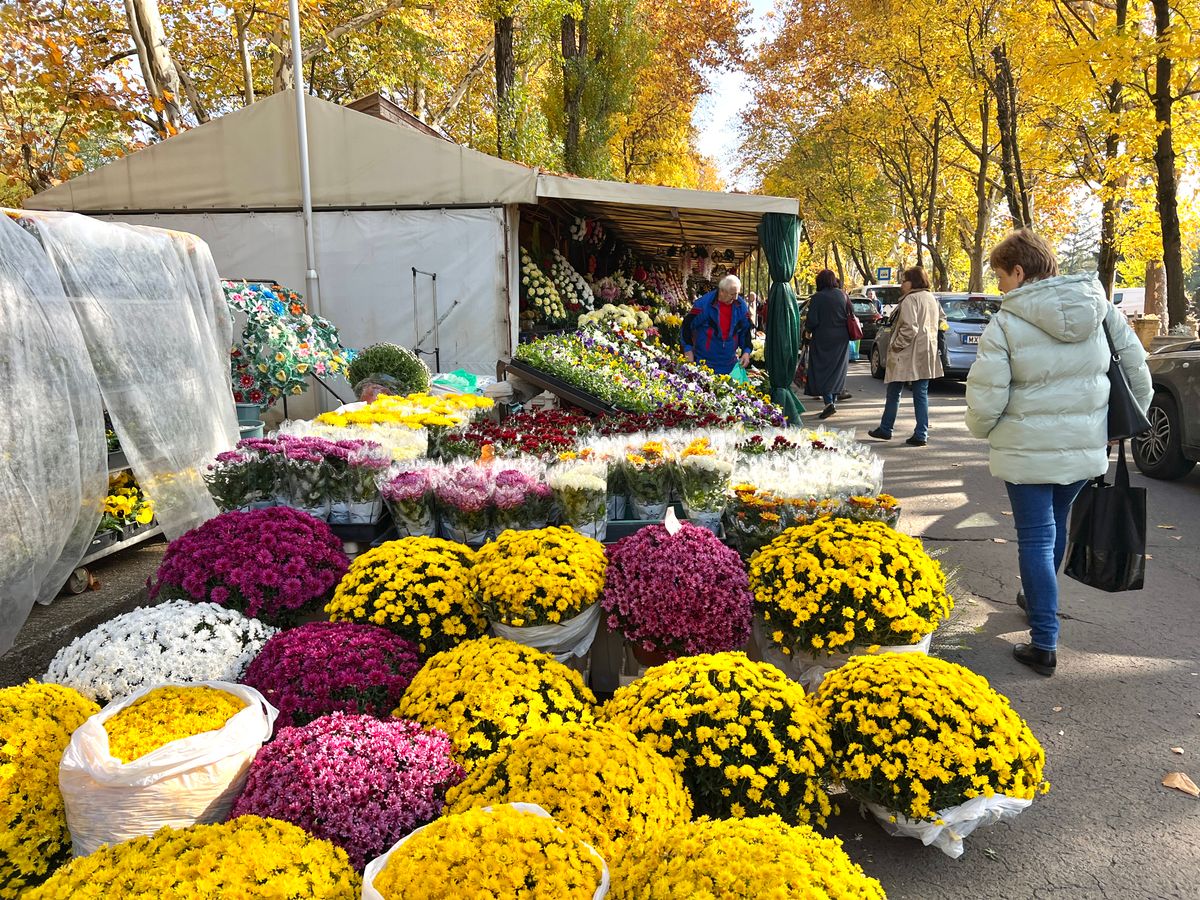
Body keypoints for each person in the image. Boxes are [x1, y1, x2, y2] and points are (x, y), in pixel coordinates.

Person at [964, 229, 1152, 677]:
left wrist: (981, 429)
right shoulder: (1102, 310)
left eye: (1000, 276)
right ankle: (1036, 599)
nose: (999, 286)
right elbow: (1138, 373)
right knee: (1053, 528)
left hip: (1025, 452)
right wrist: (1119, 428)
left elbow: (987, 395)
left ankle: (1044, 641)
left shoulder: (1007, 322)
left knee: (1035, 536)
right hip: (1082, 450)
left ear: (1018, 270)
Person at [868, 267, 945, 446]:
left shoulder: (911, 299)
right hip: (925, 352)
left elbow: (909, 328)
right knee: (921, 394)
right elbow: (941, 321)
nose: (902, 284)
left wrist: (896, 346)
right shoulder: (931, 298)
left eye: (904, 280)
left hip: (907, 354)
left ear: (914, 282)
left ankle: (886, 429)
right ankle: (921, 433)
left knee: (894, 392)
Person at [681, 274, 753, 376]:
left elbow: (745, 331)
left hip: (729, 364)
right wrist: (688, 349)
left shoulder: (741, 307)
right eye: (732, 294)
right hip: (704, 363)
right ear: (722, 291)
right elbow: (687, 326)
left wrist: (746, 352)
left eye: (737, 294)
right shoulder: (703, 304)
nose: (735, 298)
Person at [803, 270, 851, 419]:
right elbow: (851, 313)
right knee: (837, 370)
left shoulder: (818, 297)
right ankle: (833, 402)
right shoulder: (843, 295)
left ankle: (829, 403)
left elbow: (812, 320)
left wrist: (807, 332)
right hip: (842, 339)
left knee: (822, 370)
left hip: (823, 338)